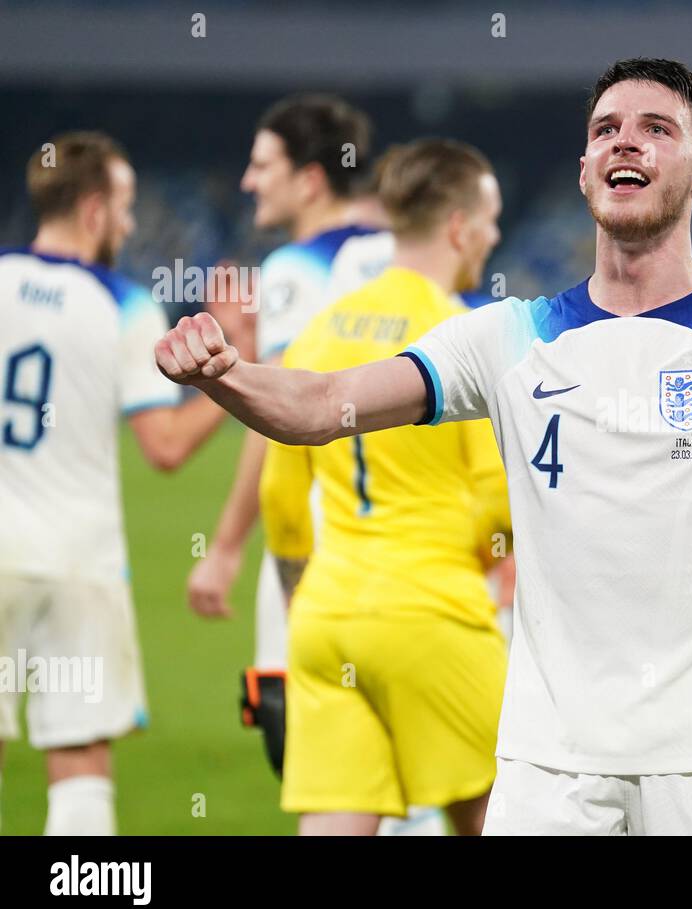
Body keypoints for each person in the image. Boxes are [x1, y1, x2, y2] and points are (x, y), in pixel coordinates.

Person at [155, 58, 692, 836]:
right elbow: (326, 402)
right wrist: (225, 375)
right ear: (584, 170)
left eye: (655, 128)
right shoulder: (508, 336)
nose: (625, 140)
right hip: (551, 761)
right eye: (606, 128)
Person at [261, 138, 509, 836]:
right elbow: (497, 500)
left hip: (325, 618)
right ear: (460, 225)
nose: (492, 236)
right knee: (508, 813)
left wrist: (301, 596)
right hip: (431, 611)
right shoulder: (464, 334)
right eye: (489, 220)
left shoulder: (320, 330)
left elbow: (282, 503)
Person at [0, 132, 240, 834]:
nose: (132, 225)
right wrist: (234, 368)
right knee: (79, 760)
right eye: (128, 208)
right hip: (80, 563)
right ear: (98, 209)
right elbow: (163, 446)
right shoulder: (124, 305)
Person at [185, 94, 387, 774]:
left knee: (307, 747)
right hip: (409, 531)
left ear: (309, 179)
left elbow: (278, 423)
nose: (247, 180)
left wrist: (227, 546)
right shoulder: (398, 253)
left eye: (261, 163)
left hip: (319, 530)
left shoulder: (294, 271)